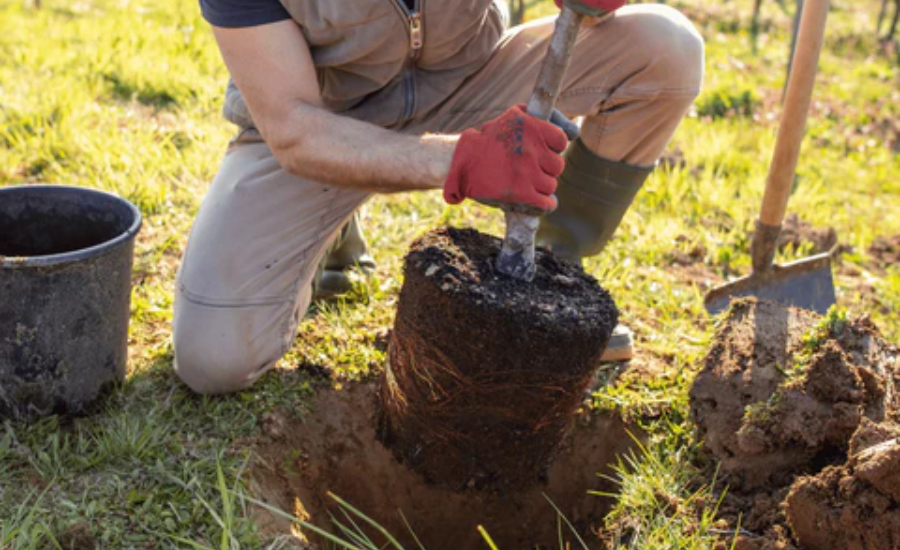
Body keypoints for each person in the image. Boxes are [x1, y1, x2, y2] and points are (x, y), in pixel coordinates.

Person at [173, 0, 705, 394]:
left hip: (469, 82)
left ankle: (545, 286)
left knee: (666, 49)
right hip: (323, 125)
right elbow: (293, 127)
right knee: (214, 358)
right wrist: (463, 160)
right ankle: (328, 229)